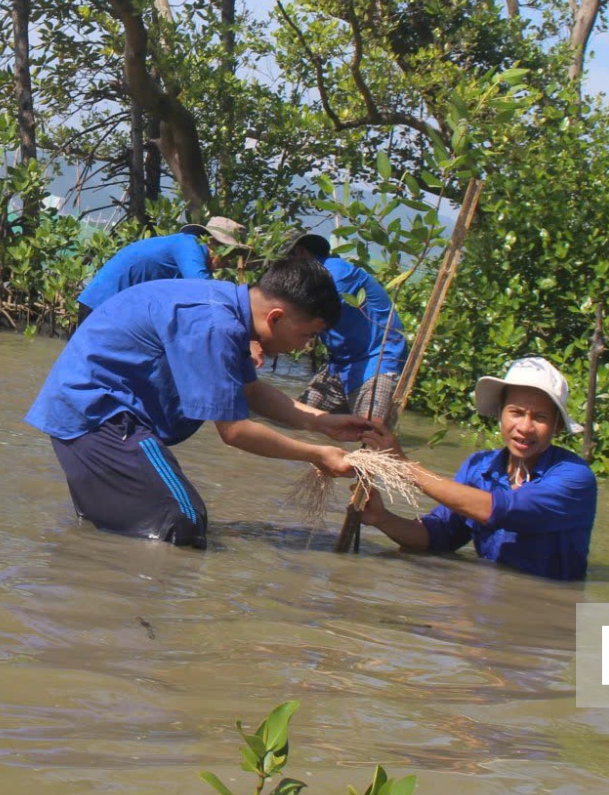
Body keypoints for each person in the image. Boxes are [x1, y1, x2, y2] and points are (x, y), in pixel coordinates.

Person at [26, 255, 370, 548]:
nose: (304, 346)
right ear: (276, 317)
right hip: (99, 416)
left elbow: (250, 392)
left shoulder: (228, 310)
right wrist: (317, 454)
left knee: (113, 531)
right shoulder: (215, 324)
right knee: (183, 520)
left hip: (94, 414)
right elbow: (235, 431)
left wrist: (321, 421)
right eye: (307, 334)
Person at [353, 356, 598, 580]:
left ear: (556, 427)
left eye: (540, 418)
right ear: (501, 415)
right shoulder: (479, 467)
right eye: (516, 413)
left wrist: (404, 467)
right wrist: (381, 518)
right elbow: (438, 536)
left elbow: (503, 509)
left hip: (549, 611)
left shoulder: (574, 478)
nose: (525, 427)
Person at [286, 232, 408, 421]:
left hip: (377, 359)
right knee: (295, 420)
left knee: (371, 433)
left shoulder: (336, 274)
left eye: (288, 260)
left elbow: (309, 314)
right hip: (340, 364)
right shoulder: (314, 279)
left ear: (301, 252)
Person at [74, 216, 245, 327]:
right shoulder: (187, 245)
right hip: (101, 304)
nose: (229, 261)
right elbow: (204, 289)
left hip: (115, 309)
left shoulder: (188, 256)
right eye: (229, 253)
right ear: (212, 244)